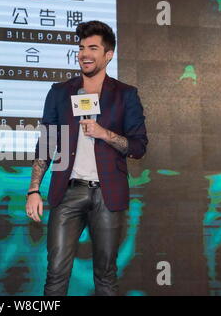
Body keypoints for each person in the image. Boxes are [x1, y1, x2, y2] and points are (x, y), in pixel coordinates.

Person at [25, 21, 148, 296]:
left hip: (108, 194)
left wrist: (105, 133)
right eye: (81, 48)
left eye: (93, 48)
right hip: (67, 193)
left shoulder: (126, 95)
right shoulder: (60, 92)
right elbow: (47, 142)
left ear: (108, 55)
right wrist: (34, 189)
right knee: (55, 273)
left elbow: (138, 147)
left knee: (105, 275)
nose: (84, 54)